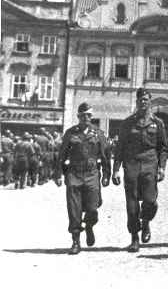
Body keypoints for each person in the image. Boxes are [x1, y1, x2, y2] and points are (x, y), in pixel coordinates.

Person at [112, 88, 168, 253]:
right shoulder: (128, 123)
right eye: (140, 100)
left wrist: (162, 167)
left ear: (150, 102)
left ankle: (146, 222)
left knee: (150, 201)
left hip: (150, 165)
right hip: (132, 165)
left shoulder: (158, 123)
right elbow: (120, 147)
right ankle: (134, 238)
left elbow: (163, 148)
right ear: (137, 102)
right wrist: (116, 170)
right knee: (132, 204)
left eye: (146, 100)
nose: (143, 102)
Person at [55, 102, 111, 255]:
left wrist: (107, 174)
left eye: (89, 115)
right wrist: (58, 174)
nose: (86, 118)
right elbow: (62, 155)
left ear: (91, 116)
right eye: (83, 115)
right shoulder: (70, 133)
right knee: (74, 209)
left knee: (92, 208)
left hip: (92, 174)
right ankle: (75, 241)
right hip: (74, 174)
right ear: (78, 116)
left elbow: (105, 155)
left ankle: (90, 225)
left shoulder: (98, 133)